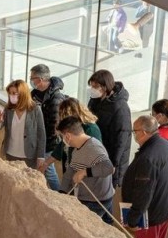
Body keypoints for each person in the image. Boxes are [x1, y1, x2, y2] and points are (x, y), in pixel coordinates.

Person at [121, 115, 168, 238]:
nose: (134, 135)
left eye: (134, 131)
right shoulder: (166, 144)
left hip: (150, 216)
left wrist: (133, 220)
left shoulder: (148, 157)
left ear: (143, 132)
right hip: (165, 209)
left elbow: (144, 192)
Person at [88, 70, 132, 226]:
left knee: (105, 196)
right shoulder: (96, 100)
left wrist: (112, 163)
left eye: (95, 86)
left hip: (110, 159)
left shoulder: (120, 107)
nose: (92, 89)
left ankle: (107, 226)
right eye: (91, 85)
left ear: (105, 86)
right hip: (98, 153)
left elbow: (122, 138)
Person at [57, 116, 114, 219]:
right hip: (88, 198)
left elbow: (108, 168)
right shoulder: (77, 149)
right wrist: (62, 192)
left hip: (95, 201)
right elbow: (71, 171)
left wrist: (84, 172)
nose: (62, 140)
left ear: (68, 136)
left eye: (62, 136)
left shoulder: (93, 147)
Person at [39, 97, 101, 186]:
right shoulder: (71, 128)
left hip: (86, 179)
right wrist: (46, 164)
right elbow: (62, 146)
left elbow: (95, 158)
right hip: (71, 171)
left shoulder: (91, 129)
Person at [0, 79, 47, 174]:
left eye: (14, 93)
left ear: (23, 93)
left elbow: (41, 134)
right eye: (10, 93)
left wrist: (40, 156)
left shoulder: (35, 110)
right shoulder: (8, 109)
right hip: (11, 153)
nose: (11, 95)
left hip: (29, 155)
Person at [29, 64, 65, 191]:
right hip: (37, 140)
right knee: (41, 169)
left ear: (40, 79)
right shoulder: (35, 94)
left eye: (32, 78)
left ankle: (59, 195)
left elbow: (54, 126)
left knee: (48, 170)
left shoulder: (56, 98)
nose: (31, 80)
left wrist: (42, 141)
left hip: (48, 143)